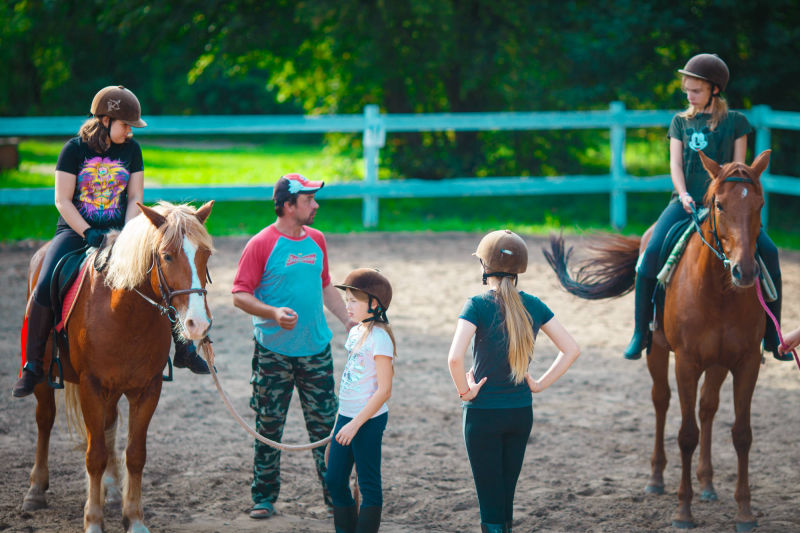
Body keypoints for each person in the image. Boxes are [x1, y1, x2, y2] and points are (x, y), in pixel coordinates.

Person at [12, 85, 208, 398]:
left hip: (122, 232)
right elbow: (62, 200)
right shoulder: (73, 151)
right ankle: (33, 364)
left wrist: (129, 232)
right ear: (105, 120)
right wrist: (88, 232)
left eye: (132, 127)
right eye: (126, 125)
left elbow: (134, 197)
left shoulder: (132, 151)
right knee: (44, 283)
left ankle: (183, 348)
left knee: (161, 275)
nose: (130, 131)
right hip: (75, 231)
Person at [623, 53, 786, 361]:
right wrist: (683, 194)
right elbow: (675, 164)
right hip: (684, 203)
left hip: (726, 206)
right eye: (687, 89)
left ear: (714, 89)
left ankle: (770, 336)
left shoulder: (736, 123)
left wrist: (725, 198)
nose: (689, 95)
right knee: (650, 254)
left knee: (771, 253)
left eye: (695, 90)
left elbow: (739, 169)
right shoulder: (680, 122)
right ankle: (640, 331)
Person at [231, 173, 357, 519]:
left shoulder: (317, 239)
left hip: (316, 351)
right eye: (308, 200)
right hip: (273, 352)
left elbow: (326, 285)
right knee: (269, 426)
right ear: (288, 206)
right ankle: (264, 496)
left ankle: (336, 497)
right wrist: (271, 312)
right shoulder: (261, 244)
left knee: (327, 428)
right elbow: (240, 294)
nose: (315, 205)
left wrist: (346, 319)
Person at [447, 230, 580, 533]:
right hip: (521, 412)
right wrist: (539, 384)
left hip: (483, 414)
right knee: (506, 496)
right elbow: (571, 349)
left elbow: (454, 359)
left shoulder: (476, 305)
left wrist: (465, 392)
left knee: (489, 500)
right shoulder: (533, 304)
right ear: (519, 269)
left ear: (484, 266)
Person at [325, 268, 396, 533]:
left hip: (368, 420)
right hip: (346, 417)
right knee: (334, 480)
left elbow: (384, 390)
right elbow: (348, 384)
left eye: (354, 300)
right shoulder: (356, 332)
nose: (347, 305)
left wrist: (355, 425)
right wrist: (337, 427)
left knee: (368, 486)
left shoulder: (380, 338)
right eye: (347, 300)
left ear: (374, 304)